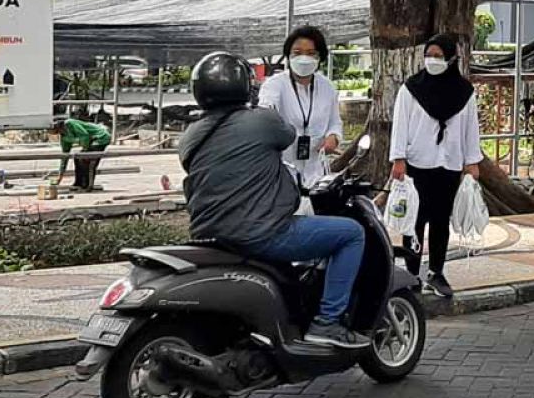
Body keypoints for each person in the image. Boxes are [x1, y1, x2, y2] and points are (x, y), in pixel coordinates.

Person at [179, 51, 369, 350]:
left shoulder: (190, 134)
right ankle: (328, 322)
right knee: (351, 234)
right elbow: (288, 135)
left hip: (209, 235)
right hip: (262, 232)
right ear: (246, 86)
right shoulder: (262, 121)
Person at [389, 34, 482, 299]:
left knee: (441, 220)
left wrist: (471, 162)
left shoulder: (464, 92)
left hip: (449, 164)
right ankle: (411, 272)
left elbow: (470, 130)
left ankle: (437, 272)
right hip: (418, 162)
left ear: (452, 58)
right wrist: (398, 159)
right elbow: (401, 125)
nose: (433, 60)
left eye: (439, 56)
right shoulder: (411, 89)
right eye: (429, 55)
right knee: (414, 221)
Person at [257, 26, 343, 191]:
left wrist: (333, 136)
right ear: (288, 55)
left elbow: (335, 122)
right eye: (297, 52)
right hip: (282, 171)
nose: (304, 58)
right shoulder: (274, 85)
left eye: (310, 53)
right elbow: (266, 115)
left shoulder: (327, 87)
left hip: (317, 170)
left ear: (319, 57)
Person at [54, 117, 112, 191]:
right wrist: (60, 176)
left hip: (100, 137)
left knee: (87, 160)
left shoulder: (70, 123)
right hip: (90, 141)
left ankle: (88, 185)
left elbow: (84, 135)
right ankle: (79, 183)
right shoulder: (64, 138)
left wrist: (85, 149)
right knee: (77, 157)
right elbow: (65, 156)